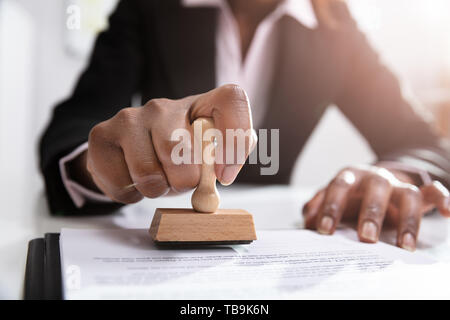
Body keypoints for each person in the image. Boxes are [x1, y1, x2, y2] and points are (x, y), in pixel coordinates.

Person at [40, 0, 450, 251]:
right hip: (144, 237)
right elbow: (72, 128)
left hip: (274, 250)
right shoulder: (149, 6)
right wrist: (97, 166)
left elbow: (422, 141)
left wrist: (392, 175)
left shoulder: (337, 30)